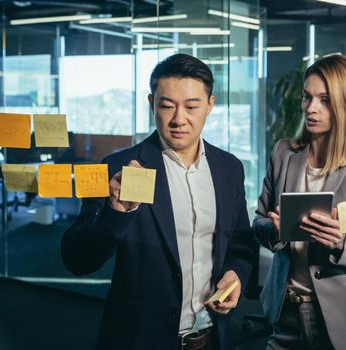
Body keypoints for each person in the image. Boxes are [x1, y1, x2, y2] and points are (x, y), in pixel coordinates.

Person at [62, 53, 253, 350]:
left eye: (191, 106)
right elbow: (77, 259)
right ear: (152, 104)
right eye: (166, 106)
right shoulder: (118, 167)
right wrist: (116, 212)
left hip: (212, 339)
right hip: (140, 338)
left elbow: (241, 243)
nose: (179, 119)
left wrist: (236, 274)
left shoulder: (229, 169)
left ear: (210, 106)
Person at [253, 54, 346, 350]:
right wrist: (275, 230)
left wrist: (342, 243)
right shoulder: (284, 153)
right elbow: (259, 221)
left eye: (325, 99)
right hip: (285, 314)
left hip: (344, 322)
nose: (311, 108)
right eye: (307, 97)